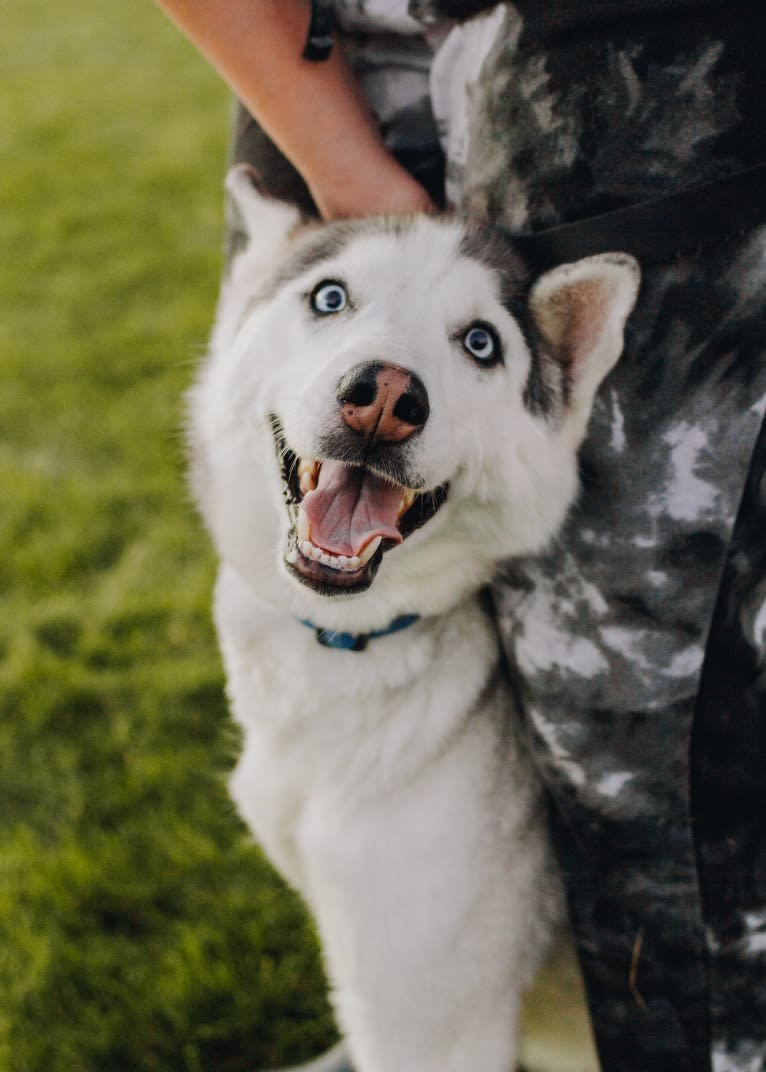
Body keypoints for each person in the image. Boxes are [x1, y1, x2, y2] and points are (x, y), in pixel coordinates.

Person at [154, 2, 766, 1070]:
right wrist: (337, 161)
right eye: (331, 299)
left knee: (661, 767)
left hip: (641, 96)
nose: (387, 388)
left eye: (477, 345)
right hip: (325, 72)